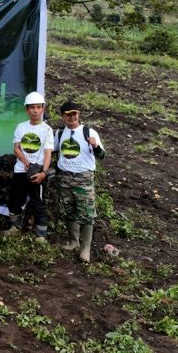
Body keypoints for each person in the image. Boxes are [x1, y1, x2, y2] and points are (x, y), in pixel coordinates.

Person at [54, 100, 105, 262]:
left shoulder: (89, 132)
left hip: (84, 179)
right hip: (65, 177)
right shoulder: (60, 133)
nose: (72, 117)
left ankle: (85, 248)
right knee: (67, 210)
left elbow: (102, 156)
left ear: (79, 114)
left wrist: (95, 146)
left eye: (74, 114)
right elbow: (54, 150)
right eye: (68, 115)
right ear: (63, 117)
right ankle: (73, 241)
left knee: (86, 213)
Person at [5, 91, 54, 240]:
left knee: (37, 202)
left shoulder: (47, 130)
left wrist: (43, 173)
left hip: (37, 172)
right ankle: (15, 227)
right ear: (27, 110)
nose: (35, 110)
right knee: (14, 199)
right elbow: (16, 148)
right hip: (20, 170)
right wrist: (26, 162)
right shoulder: (21, 127)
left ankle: (40, 235)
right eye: (32, 107)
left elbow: (47, 154)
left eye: (38, 107)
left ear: (43, 109)